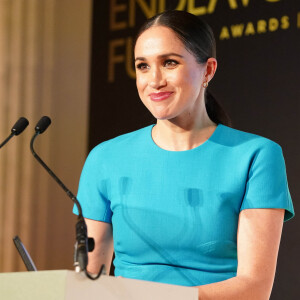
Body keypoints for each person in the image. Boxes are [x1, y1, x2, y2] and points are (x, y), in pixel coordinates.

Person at [74, 10, 294, 299]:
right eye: (142, 66)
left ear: (208, 70)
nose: (154, 80)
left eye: (169, 63)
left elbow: (254, 287)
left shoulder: (256, 156)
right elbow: (91, 280)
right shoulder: (104, 159)